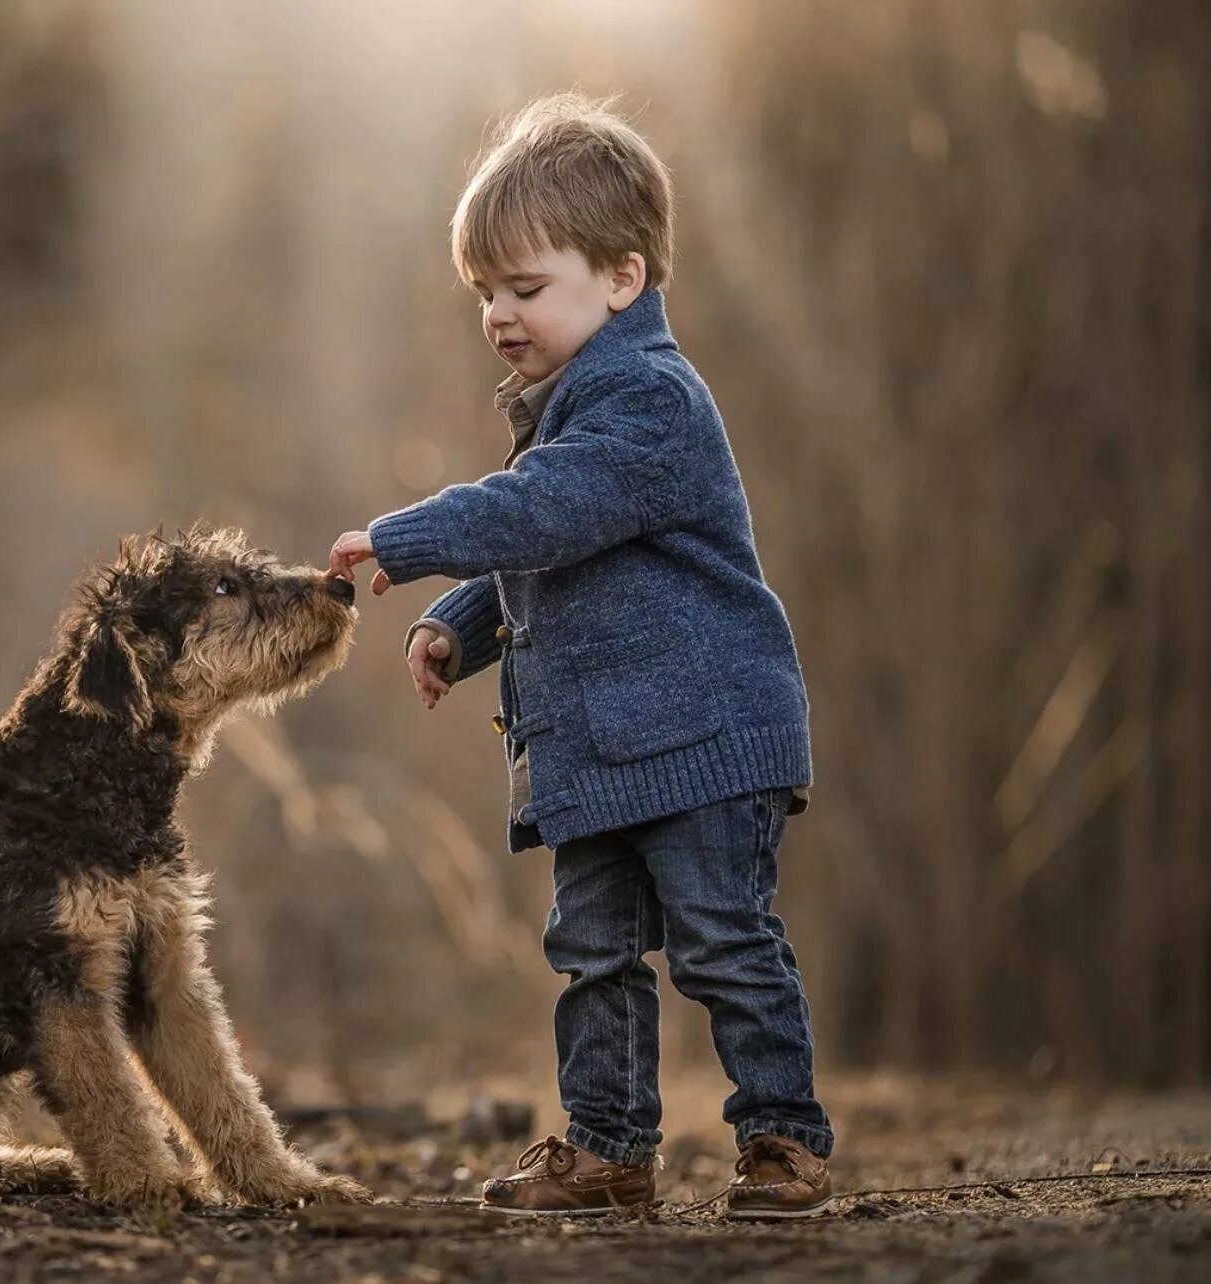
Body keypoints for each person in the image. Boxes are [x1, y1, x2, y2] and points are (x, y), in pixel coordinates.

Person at [327, 92, 833, 1219]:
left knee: (720, 942)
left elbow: (548, 510)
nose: (499, 315)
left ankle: (782, 1141)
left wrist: (406, 540)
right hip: (604, 750)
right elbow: (556, 549)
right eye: (484, 294)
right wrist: (458, 625)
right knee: (590, 953)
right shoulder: (571, 405)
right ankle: (607, 1150)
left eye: (525, 286)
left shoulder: (647, 400)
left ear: (620, 277)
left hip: (704, 737)